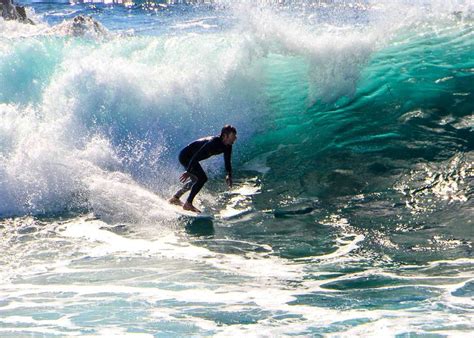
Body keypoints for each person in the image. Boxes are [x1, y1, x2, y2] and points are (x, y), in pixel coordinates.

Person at [169, 125, 237, 213]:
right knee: (202, 178)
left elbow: (227, 161)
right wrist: (188, 171)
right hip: (186, 157)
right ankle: (188, 204)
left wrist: (229, 175)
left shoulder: (228, 146)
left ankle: (175, 198)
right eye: (233, 136)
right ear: (224, 136)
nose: (235, 138)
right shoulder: (213, 142)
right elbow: (196, 156)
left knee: (196, 180)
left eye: (235, 136)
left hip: (192, 159)